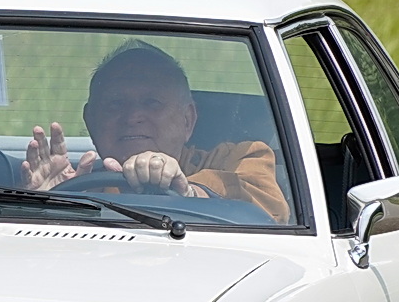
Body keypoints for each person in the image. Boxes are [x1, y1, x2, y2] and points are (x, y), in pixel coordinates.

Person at [20, 41, 289, 223]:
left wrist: (188, 194)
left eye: (152, 103)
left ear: (188, 119)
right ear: (90, 120)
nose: (133, 116)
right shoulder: (79, 181)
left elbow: (271, 213)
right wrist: (49, 204)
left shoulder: (240, 157)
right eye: (116, 104)